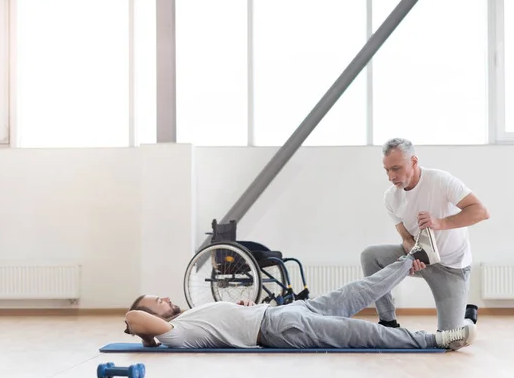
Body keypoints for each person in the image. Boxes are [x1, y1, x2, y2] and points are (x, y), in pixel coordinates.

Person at [124, 250, 476, 351]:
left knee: (359, 289)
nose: (166, 298)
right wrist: (137, 328)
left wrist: (239, 309)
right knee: (356, 332)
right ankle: (438, 339)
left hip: (283, 312)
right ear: (148, 315)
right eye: (157, 300)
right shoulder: (177, 333)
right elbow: (134, 319)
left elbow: (223, 321)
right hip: (280, 328)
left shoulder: (189, 316)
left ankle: (413, 258)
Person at [361, 138, 490, 332]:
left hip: (452, 267)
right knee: (370, 256)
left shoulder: (441, 180)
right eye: (387, 170)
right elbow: (405, 237)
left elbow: (480, 211)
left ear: (413, 161)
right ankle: (388, 322)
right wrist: (413, 254)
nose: (391, 176)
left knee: (450, 338)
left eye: (396, 168)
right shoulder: (391, 197)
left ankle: (468, 316)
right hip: (422, 260)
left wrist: (441, 223)